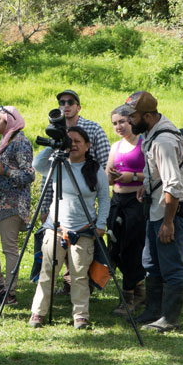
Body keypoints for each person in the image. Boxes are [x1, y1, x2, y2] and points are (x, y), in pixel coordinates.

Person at [125, 91, 183, 333]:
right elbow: (160, 175)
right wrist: (145, 186)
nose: (128, 121)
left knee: (172, 266)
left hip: (171, 211)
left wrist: (169, 222)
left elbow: (174, 186)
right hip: (157, 207)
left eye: (132, 116)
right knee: (151, 262)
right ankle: (153, 312)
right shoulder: (151, 133)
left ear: (147, 115)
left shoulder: (163, 141)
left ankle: (169, 319)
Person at [28, 126, 109, 329]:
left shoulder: (95, 169)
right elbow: (37, 165)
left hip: (83, 230)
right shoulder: (58, 164)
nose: (72, 145)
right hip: (55, 227)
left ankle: (81, 316)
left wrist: (101, 224)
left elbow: (105, 198)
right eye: (69, 141)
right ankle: (38, 313)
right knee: (48, 272)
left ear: (88, 146)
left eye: (77, 141)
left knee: (79, 275)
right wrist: (53, 145)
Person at [43, 89, 111, 296]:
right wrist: (45, 205)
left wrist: (101, 218)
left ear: (78, 106)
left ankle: (82, 286)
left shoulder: (93, 128)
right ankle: (67, 282)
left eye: (70, 102)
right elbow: (47, 172)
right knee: (58, 246)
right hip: (60, 199)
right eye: (61, 102)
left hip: (88, 188)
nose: (66, 105)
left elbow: (105, 161)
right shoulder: (56, 130)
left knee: (81, 248)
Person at [0, 106, 35, 307]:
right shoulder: (6, 141)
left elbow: (29, 175)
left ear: (10, 121)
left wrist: (5, 171)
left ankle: (9, 293)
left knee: (9, 247)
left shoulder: (21, 142)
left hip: (14, 202)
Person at [105, 105, 147, 316]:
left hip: (136, 202)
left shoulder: (144, 144)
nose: (119, 126)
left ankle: (129, 297)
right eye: (114, 123)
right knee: (114, 249)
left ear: (132, 120)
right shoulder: (115, 147)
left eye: (122, 121)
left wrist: (135, 177)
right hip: (117, 201)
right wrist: (112, 176)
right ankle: (140, 287)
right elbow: (107, 177)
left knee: (132, 248)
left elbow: (155, 174)